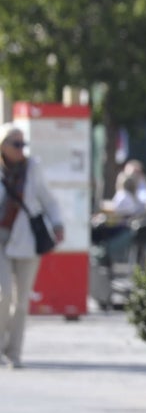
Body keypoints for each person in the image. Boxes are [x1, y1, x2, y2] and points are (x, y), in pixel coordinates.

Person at [0, 124, 65, 368]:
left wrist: (58, 224)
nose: (20, 149)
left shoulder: (32, 168)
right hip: (1, 239)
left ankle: (14, 352)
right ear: (3, 145)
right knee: (3, 293)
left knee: (22, 299)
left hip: (25, 239)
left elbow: (48, 198)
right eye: (15, 144)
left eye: (22, 144)